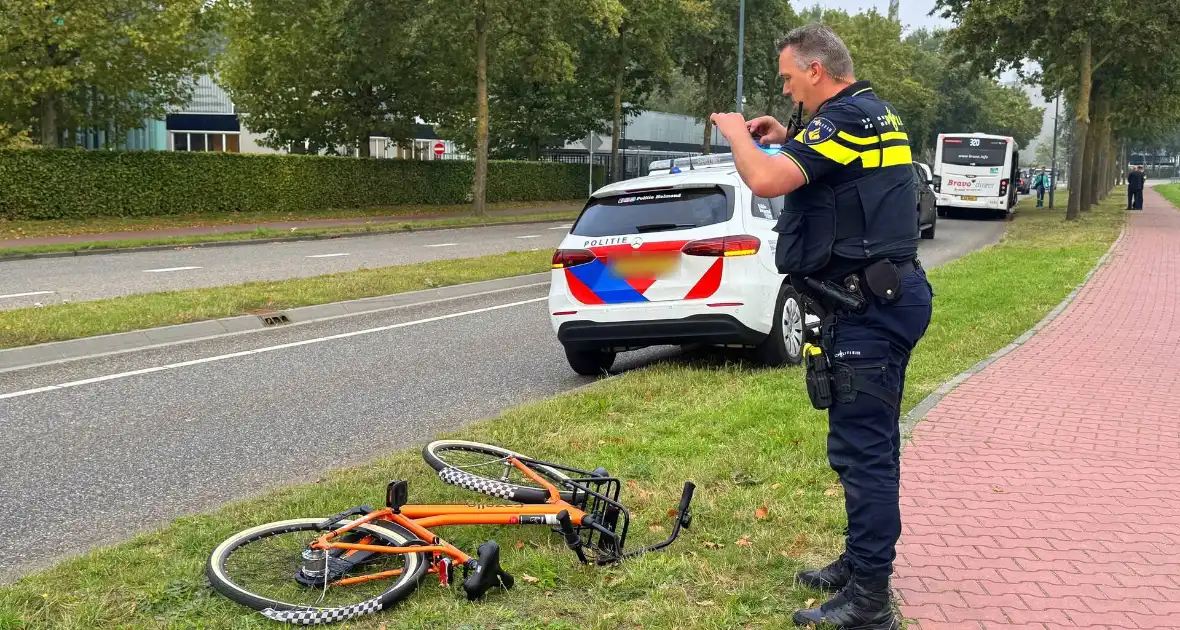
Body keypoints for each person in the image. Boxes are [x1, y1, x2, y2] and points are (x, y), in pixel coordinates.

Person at [710, 23, 933, 630]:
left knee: (866, 457)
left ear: (816, 70)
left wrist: (738, 136)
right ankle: (858, 564)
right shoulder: (867, 113)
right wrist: (786, 137)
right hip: (876, 297)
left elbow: (764, 180)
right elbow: (839, 170)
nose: (787, 92)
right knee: (867, 446)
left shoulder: (846, 119)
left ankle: (869, 603)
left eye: (787, 79)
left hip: (870, 306)